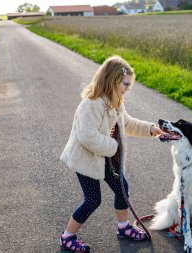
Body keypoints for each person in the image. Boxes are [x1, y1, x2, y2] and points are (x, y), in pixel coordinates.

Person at [59, 56, 165, 252]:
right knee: (92, 200)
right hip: (87, 159)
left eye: (129, 84)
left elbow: (128, 123)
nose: (128, 88)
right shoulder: (91, 104)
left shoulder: (116, 101)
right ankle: (68, 236)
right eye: (126, 84)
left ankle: (123, 227)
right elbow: (87, 136)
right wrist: (113, 147)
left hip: (106, 156)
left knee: (122, 187)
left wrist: (151, 129)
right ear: (113, 80)